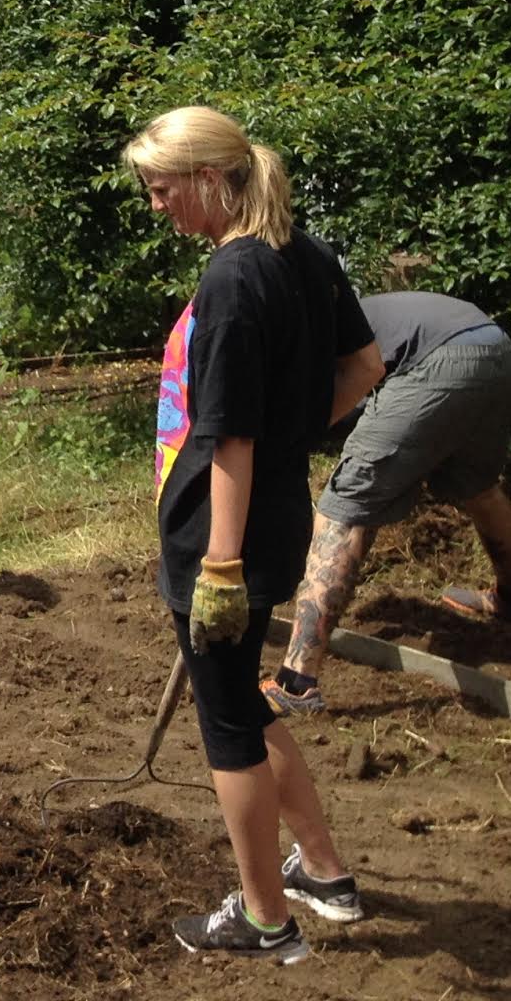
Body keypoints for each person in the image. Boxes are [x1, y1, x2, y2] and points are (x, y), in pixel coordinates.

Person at [125, 106, 385, 962]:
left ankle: (265, 921)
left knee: (229, 727)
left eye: (162, 190)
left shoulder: (233, 279)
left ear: (209, 179)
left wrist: (221, 567)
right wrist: (295, 435)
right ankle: (323, 869)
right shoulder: (302, 252)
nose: (157, 206)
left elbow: (228, 435)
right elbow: (366, 367)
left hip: (222, 531)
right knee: (240, 701)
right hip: (278, 513)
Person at [270, 289, 511, 714]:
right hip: (497, 350)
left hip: (438, 361)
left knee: (347, 501)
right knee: (477, 486)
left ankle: (297, 680)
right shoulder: (354, 312)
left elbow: (326, 404)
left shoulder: (304, 335)